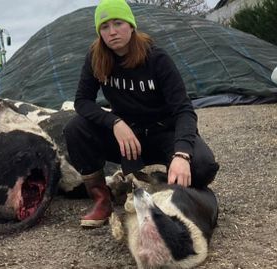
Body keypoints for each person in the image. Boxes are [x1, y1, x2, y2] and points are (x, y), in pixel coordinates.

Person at [63, 0, 219, 228]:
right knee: (75, 128)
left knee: (202, 167)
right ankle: (101, 198)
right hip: (129, 139)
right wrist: (114, 122)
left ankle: (164, 181)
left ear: (131, 25)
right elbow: (82, 101)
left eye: (118, 23)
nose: (112, 31)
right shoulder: (96, 57)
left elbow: (184, 109)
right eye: (104, 26)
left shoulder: (156, 58)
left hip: (164, 132)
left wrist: (182, 154)